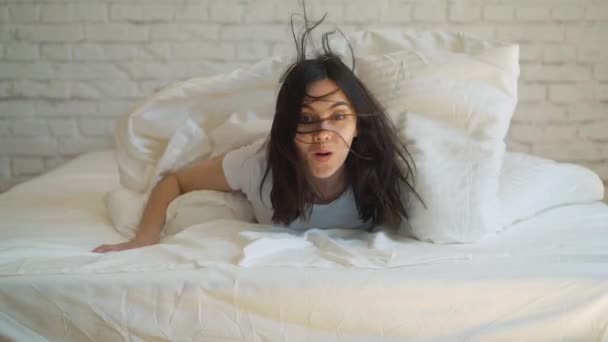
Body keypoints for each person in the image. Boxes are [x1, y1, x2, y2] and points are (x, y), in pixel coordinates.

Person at [92, 11, 422, 254]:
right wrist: (145, 238)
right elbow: (174, 180)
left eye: (337, 117)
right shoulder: (257, 165)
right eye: (306, 119)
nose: (323, 133)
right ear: (288, 126)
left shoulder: (378, 170)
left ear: (357, 125)